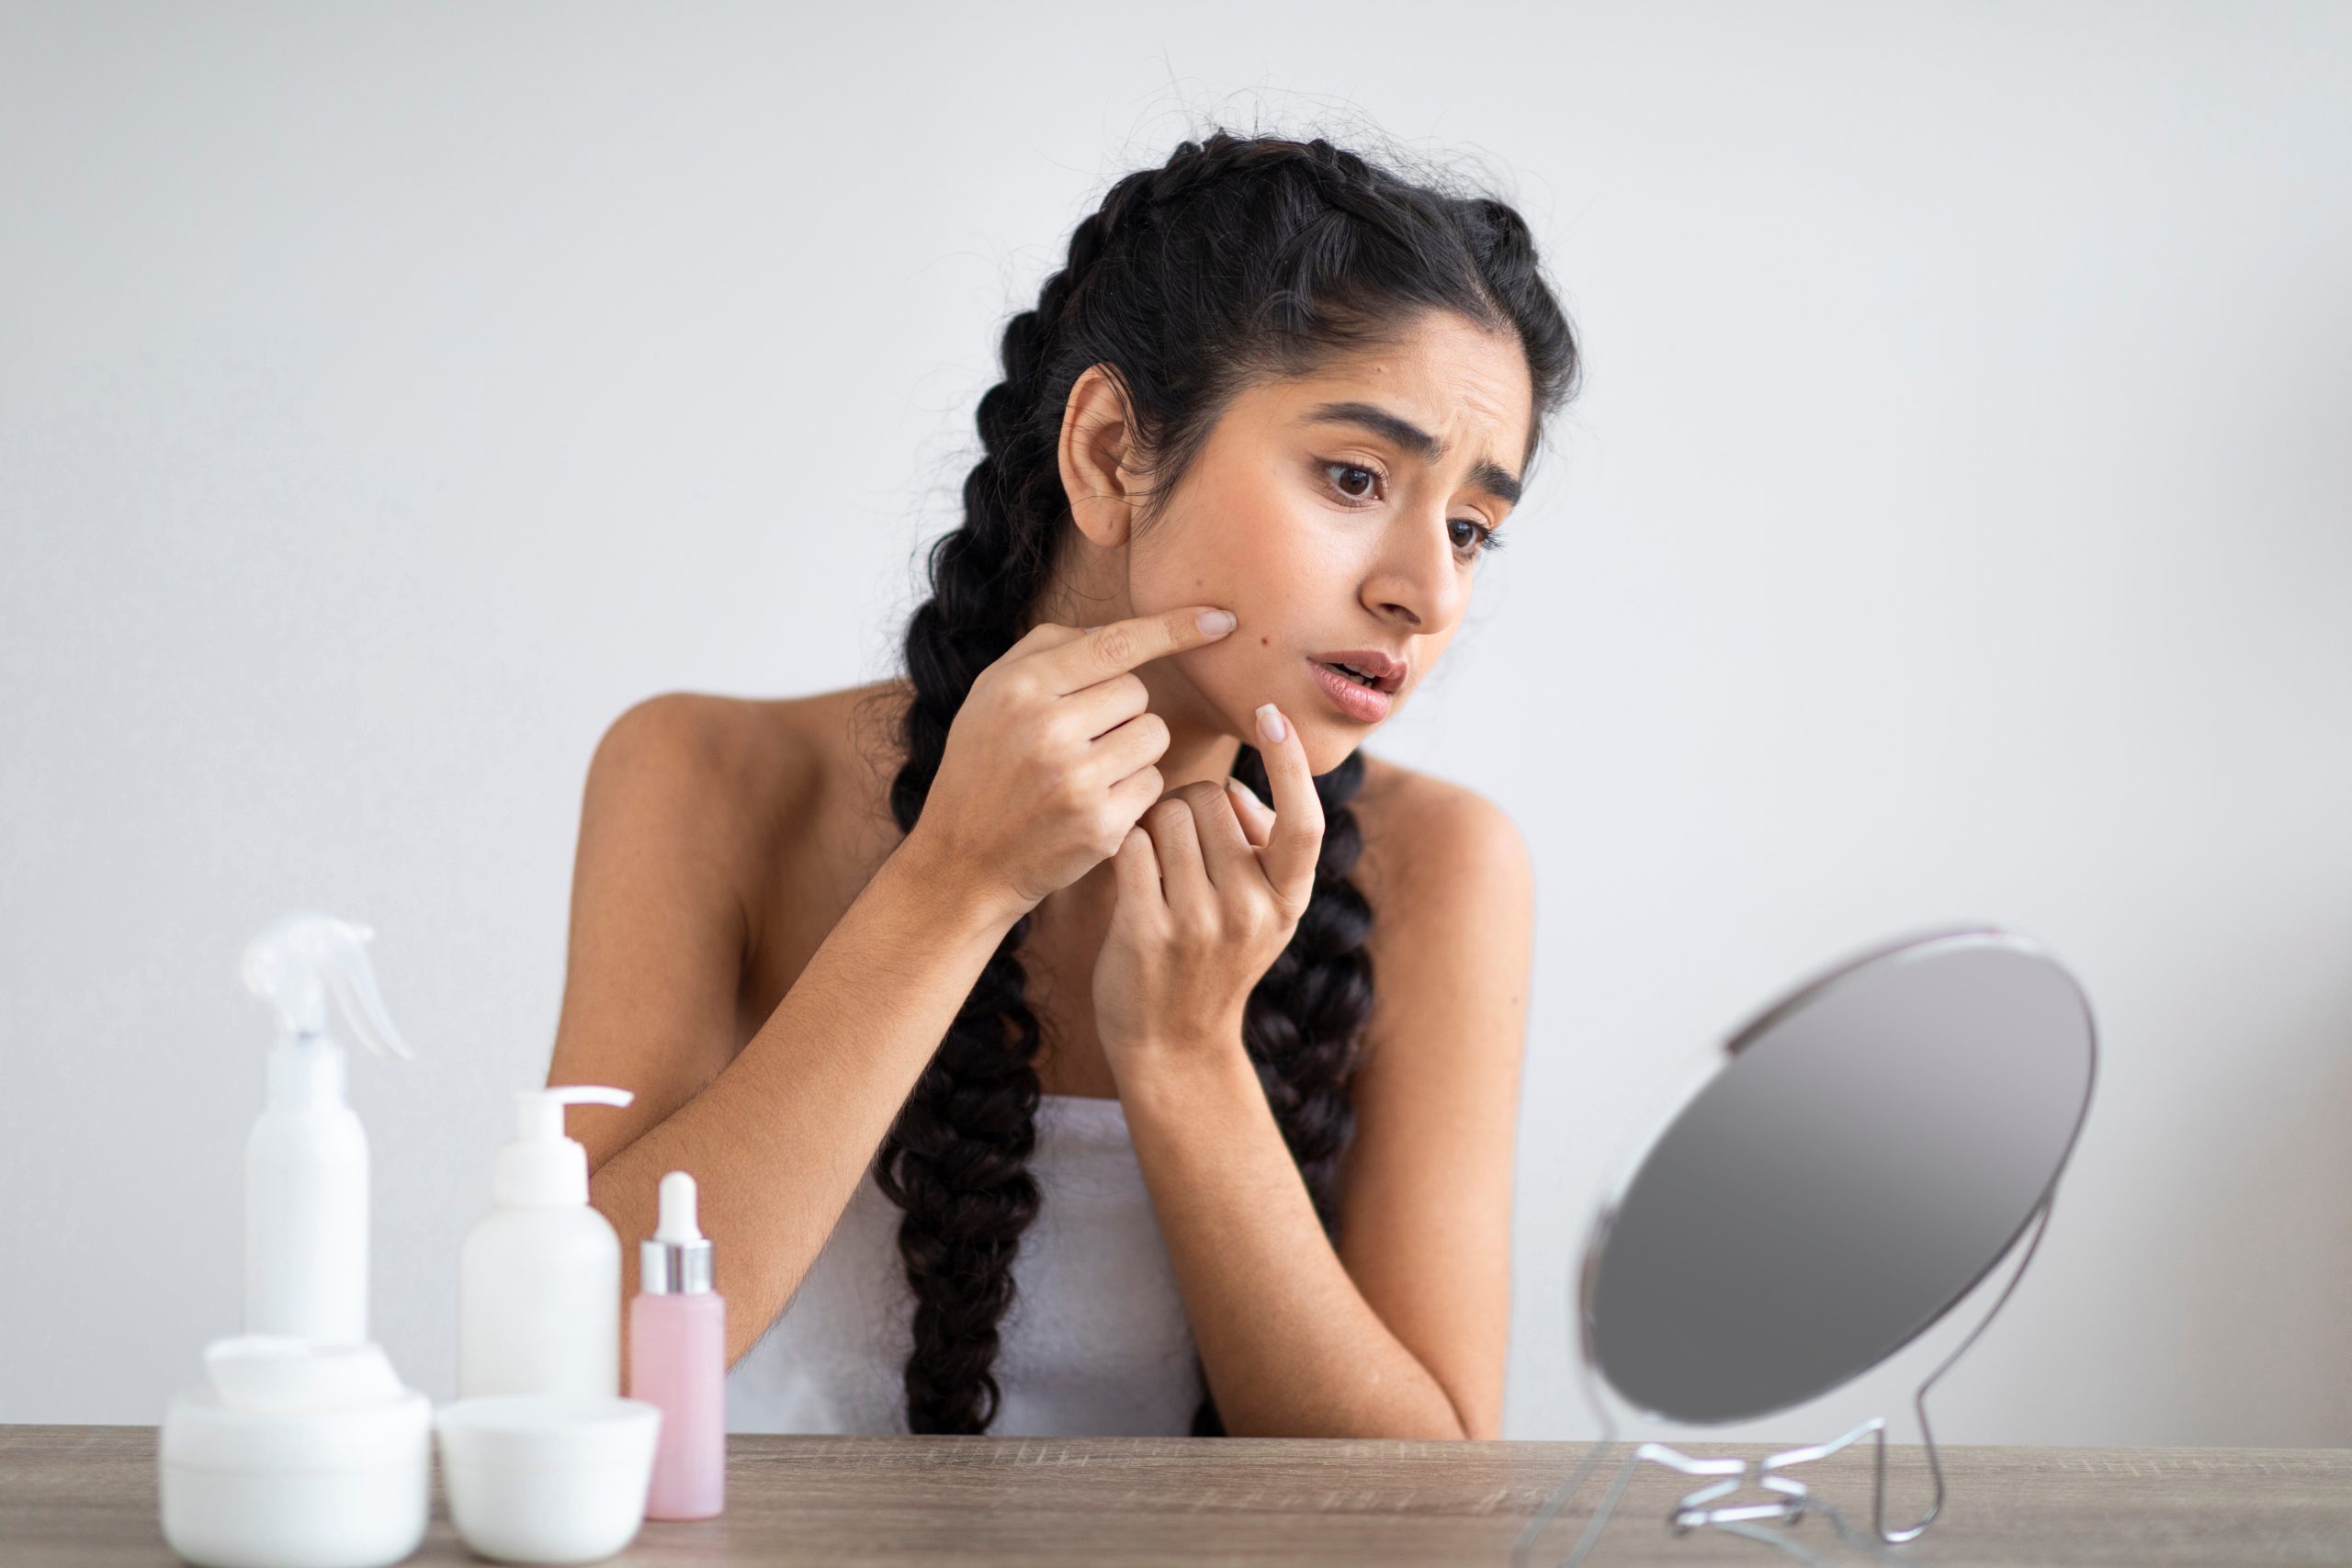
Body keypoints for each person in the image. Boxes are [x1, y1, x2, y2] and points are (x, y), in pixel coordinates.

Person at [548, 129, 1581, 1440]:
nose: (1427, 593)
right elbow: (572, 1375)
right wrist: (951, 886)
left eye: (1471, 529)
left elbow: (1421, 1515)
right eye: (1355, 477)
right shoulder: (707, 778)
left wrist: (1189, 1053)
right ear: (1109, 454)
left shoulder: (1444, 869)